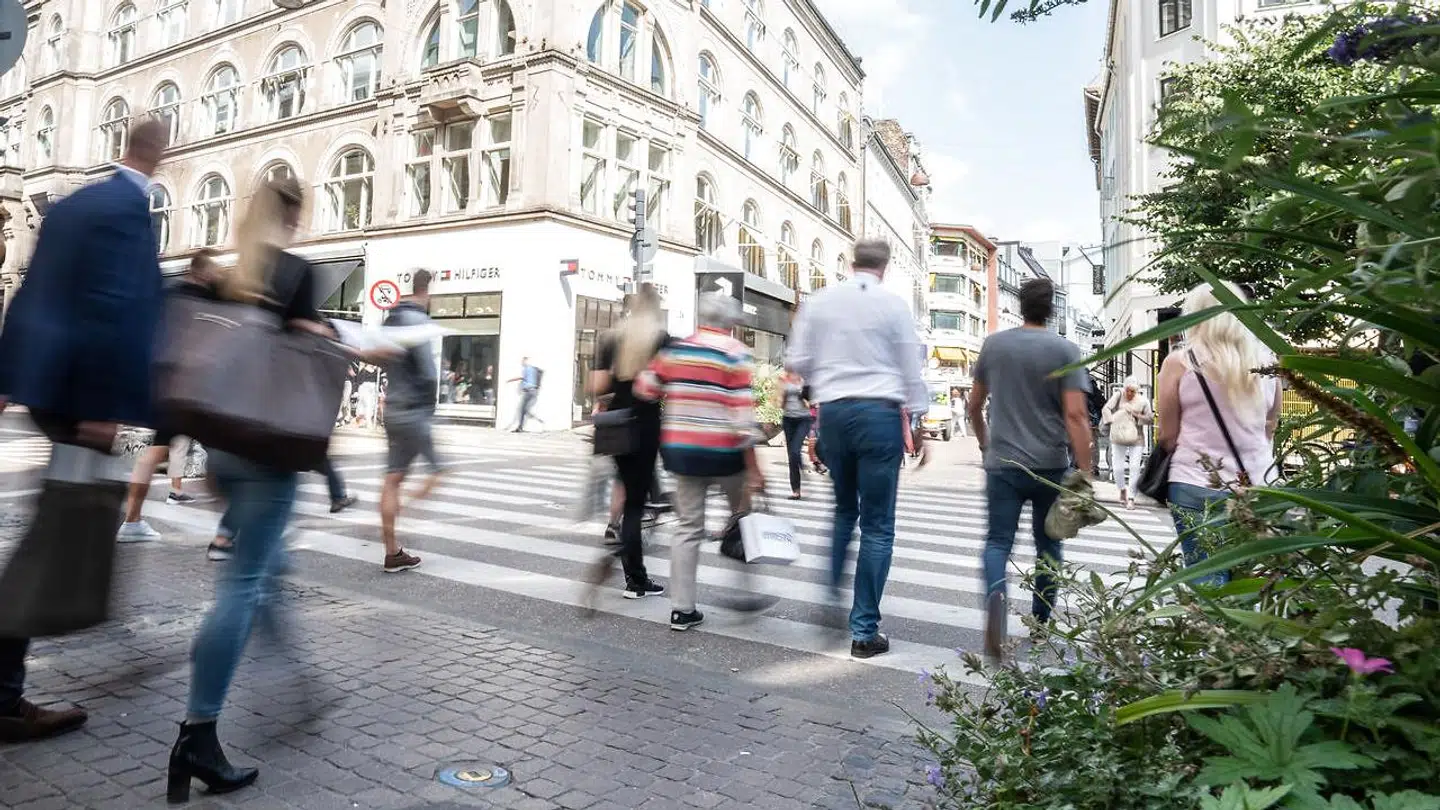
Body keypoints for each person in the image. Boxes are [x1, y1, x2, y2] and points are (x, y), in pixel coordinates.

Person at [169, 176, 356, 801]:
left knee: (261, 570)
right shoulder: (295, 272)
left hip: (222, 445)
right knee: (243, 586)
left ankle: (287, 675)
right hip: (269, 447)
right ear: (292, 216)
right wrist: (338, 338)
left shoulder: (229, 276)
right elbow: (307, 346)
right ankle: (198, 733)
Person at [0, 120, 169, 743]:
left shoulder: (74, 205)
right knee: (53, 538)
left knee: (56, 527)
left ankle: (6, 684)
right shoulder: (127, 210)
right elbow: (116, 306)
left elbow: (28, 290)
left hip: (52, 389)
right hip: (80, 401)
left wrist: (8, 376)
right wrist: (102, 406)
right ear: (156, 153)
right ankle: (4, 694)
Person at [786, 240, 929, 659]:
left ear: (852, 263)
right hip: (879, 415)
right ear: (884, 265)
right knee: (878, 524)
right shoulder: (894, 305)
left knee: (844, 511)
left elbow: (797, 360)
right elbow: (910, 369)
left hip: (833, 413)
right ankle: (864, 630)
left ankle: (831, 592)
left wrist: (828, 374)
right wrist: (917, 422)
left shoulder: (821, 301)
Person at [968, 277, 1094, 663]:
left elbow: (974, 405)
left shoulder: (994, 345)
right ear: (1051, 308)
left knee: (997, 543)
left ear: (1020, 305)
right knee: (1048, 545)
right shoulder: (1065, 350)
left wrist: (985, 443)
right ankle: (1040, 624)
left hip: (1002, 464)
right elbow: (1076, 415)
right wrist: (1086, 470)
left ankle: (996, 601)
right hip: (1050, 466)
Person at [635, 293, 765, 631]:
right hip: (726, 454)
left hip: (683, 452)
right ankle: (745, 593)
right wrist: (754, 468)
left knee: (688, 528)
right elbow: (743, 417)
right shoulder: (735, 353)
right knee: (742, 521)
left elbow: (644, 388)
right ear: (731, 322)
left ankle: (682, 609)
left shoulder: (676, 350)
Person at [1157, 282, 1282, 582]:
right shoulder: (1268, 363)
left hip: (1194, 481)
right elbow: (1271, 424)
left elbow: (1167, 435)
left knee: (1207, 579)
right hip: (1258, 484)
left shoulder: (1180, 363)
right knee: (1249, 581)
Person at [119, 249, 223, 543]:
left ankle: (132, 520)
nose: (218, 275)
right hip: (194, 387)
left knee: (153, 454)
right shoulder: (207, 299)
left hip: (163, 383)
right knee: (222, 453)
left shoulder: (169, 295)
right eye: (215, 270)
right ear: (203, 271)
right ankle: (229, 533)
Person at [589, 285, 667, 599]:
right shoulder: (660, 339)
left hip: (616, 424)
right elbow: (667, 382)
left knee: (628, 491)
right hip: (645, 423)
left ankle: (628, 562)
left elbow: (597, 385)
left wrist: (617, 379)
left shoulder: (610, 338)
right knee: (635, 503)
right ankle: (634, 577)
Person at [378, 270, 442, 574]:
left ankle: (393, 552)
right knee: (439, 471)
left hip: (392, 407)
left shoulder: (391, 319)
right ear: (426, 291)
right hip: (414, 410)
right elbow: (428, 373)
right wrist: (429, 408)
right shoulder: (418, 321)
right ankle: (403, 511)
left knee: (393, 478)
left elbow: (381, 357)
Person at [1102, 377, 1152, 509]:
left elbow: (1149, 418)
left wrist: (1137, 415)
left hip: (1137, 437)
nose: (1129, 393)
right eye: (1128, 390)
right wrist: (1112, 420)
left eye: (1133, 391)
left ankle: (1131, 497)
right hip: (1118, 435)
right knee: (1117, 468)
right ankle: (1122, 489)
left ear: (1137, 391)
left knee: (1135, 467)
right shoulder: (1118, 395)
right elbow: (1106, 409)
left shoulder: (1143, 401)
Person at [780, 370, 812, 500]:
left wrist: (802, 396)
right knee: (791, 456)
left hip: (803, 419)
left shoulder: (805, 378)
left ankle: (802, 468)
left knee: (795, 451)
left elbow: (811, 403)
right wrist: (783, 395)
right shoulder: (783, 379)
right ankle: (796, 490)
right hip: (788, 419)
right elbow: (780, 404)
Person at [508, 357, 544, 432]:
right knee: (524, 409)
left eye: (523, 361)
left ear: (526, 361)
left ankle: (536, 420)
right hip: (533, 391)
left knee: (523, 410)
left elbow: (522, 378)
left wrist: (510, 380)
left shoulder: (527, 369)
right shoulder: (533, 369)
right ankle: (522, 425)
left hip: (528, 391)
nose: (522, 363)